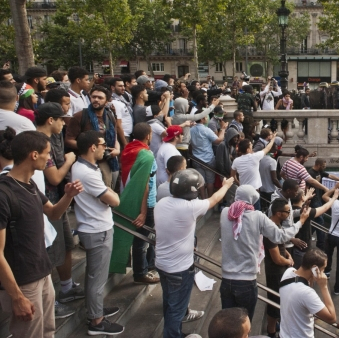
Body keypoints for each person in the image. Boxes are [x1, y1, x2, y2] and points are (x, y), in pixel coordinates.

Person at [0, 131, 83, 338]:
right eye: (47, 154)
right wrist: (17, 297)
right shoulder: (4, 193)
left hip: (42, 272)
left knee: (47, 332)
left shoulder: (30, 185)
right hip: (23, 281)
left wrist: (68, 196)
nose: (49, 159)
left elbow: (53, 212)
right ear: (34, 155)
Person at [155, 169, 233, 338]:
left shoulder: (162, 203)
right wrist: (226, 186)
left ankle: (174, 332)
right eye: (197, 189)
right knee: (177, 308)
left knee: (169, 303)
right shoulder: (189, 207)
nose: (199, 192)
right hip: (179, 268)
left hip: (162, 263)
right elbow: (214, 199)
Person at [220, 185, 311, 321]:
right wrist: (301, 222)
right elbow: (280, 236)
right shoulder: (257, 216)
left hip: (226, 281)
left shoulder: (225, 213)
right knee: (244, 323)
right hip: (246, 281)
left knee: (228, 324)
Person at [70, 131, 124, 335]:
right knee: (97, 278)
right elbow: (114, 200)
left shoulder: (83, 167)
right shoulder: (87, 173)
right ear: (93, 147)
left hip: (95, 226)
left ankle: (96, 309)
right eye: (103, 145)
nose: (106, 149)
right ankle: (96, 321)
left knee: (96, 277)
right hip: (96, 229)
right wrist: (111, 195)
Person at [35, 103, 85, 312]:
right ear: (50, 120)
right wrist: (70, 160)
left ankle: (65, 287)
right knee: (50, 251)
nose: (64, 123)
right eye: (61, 119)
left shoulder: (51, 138)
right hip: (46, 204)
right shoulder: (37, 142)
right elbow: (54, 177)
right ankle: (49, 302)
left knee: (65, 245)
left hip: (57, 201)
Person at [112, 122, 160, 284]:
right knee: (142, 239)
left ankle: (141, 265)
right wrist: (144, 211)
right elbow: (145, 184)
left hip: (128, 197)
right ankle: (140, 272)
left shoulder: (128, 149)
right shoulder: (146, 155)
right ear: (148, 136)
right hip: (145, 202)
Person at [65, 85, 121, 189]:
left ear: (107, 101)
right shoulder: (80, 116)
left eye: (100, 98)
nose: (96, 100)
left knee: (109, 190)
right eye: (94, 97)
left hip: (107, 160)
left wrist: (117, 149)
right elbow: (69, 140)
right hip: (87, 163)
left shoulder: (110, 116)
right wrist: (89, 148)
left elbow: (115, 137)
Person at [279, 248, 337, 338]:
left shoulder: (288, 272)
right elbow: (332, 318)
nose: (323, 273)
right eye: (323, 269)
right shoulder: (306, 293)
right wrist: (324, 287)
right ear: (314, 268)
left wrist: (311, 278)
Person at [264, 199, 295, 337]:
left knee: (279, 300)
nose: (289, 214)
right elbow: (276, 258)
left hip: (279, 270)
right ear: (278, 213)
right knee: (275, 304)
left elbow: (281, 244)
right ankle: (271, 331)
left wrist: (288, 254)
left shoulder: (277, 224)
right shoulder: (270, 230)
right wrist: (288, 261)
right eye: (287, 211)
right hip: (274, 272)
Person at [307, 159, 339, 250]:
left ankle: (308, 236)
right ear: (318, 165)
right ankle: (321, 243)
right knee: (320, 221)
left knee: (316, 220)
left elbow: (330, 176)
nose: (325, 167)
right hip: (313, 199)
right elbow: (306, 186)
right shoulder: (310, 173)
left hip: (318, 198)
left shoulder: (319, 171)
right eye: (323, 165)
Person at [190, 111, 227, 198]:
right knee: (210, 182)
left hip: (196, 159)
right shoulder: (206, 130)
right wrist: (223, 129)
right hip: (208, 159)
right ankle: (210, 200)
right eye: (206, 117)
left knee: (201, 182)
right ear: (202, 119)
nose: (207, 118)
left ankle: (203, 199)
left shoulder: (191, 130)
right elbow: (218, 141)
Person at [231, 137, 275, 210]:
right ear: (248, 149)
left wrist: (238, 182)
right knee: (255, 212)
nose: (252, 146)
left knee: (244, 212)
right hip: (254, 191)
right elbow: (267, 148)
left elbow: (232, 175)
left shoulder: (236, 161)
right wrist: (273, 139)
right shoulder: (255, 157)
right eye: (251, 145)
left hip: (243, 191)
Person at [258, 142, 282, 211]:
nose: (276, 151)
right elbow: (274, 179)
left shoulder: (260, 159)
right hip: (270, 191)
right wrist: (282, 188)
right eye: (275, 149)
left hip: (262, 190)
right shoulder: (272, 161)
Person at [109, 77, 133, 145]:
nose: (123, 88)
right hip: (123, 136)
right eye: (120, 86)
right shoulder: (114, 102)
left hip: (128, 135)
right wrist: (125, 143)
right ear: (113, 87)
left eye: (123, 86)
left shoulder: (123, 97)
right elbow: (118, 125)